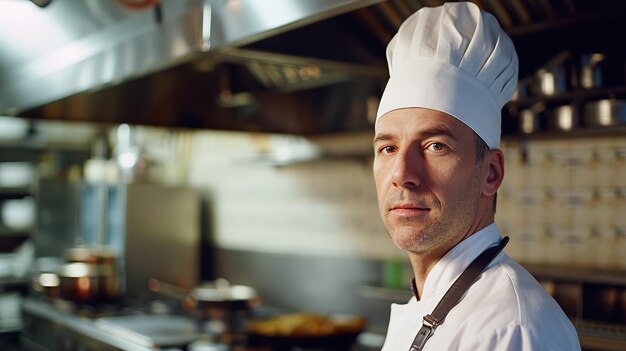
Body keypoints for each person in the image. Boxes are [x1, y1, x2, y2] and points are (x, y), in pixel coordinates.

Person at [372, 2, 580, 350]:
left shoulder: (512, 330)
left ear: (491, 173)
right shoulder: (430, 303)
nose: (403, 175)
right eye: (388, 148)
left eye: (435, 146)